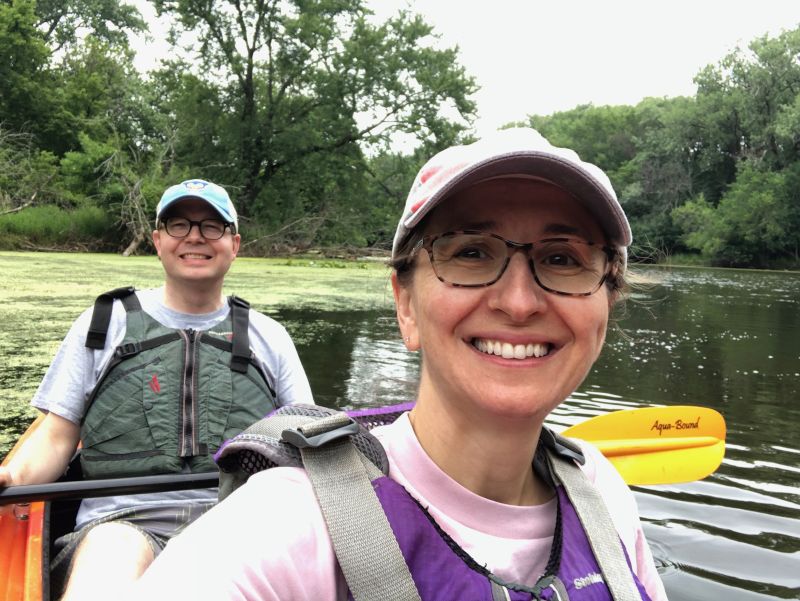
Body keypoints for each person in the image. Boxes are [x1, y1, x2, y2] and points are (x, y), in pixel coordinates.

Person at [126, 130, 668, 600]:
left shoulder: (601, 489)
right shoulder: (283, 528)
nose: (520, 302)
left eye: (562, 258)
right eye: (472, 252)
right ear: (405, 304)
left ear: (606, 304)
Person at [0, 179, 313, 600]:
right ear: (158, 240)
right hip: (120, 522)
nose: (196, 236)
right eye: (180, 224)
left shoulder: (269, 337)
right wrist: (12, 476)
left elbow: (307, 448)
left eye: (212, 226)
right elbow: (57, 437)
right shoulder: (103, 323)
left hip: (234, 521)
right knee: (115, 551)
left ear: (234, 244)